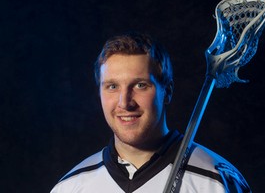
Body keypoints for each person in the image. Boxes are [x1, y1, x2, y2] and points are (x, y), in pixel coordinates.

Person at [50, 32, 251, 193]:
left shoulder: (216, 183)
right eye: (112, 86)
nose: (125, 102)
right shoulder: (71, 187)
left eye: (140, 85)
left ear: (168, 91)